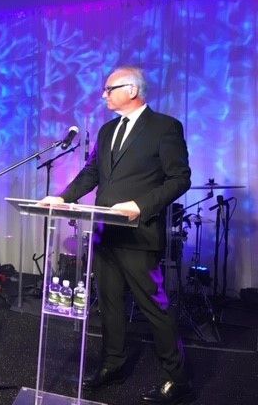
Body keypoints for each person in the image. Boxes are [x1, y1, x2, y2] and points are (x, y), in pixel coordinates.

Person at [40, 66, 193, 404]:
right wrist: (64, 197)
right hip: (106, 234)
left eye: (109, 88)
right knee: (109, 304)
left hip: (139, 236)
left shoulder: (164, 127)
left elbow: (180, 178)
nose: (104, 94)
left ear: (132, 89)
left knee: (155, 308)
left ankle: (178, 380)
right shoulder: (108, 130)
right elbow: (92, 171)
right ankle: (113, 364)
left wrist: (141, 204)